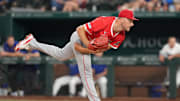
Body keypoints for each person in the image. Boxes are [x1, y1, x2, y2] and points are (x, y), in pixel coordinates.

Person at [15, 9, 138, 101]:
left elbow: (102, 48)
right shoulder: (104, 21)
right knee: (87, 73)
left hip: (86, 44)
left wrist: (87, 49)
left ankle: (32, 42)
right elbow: (80, 29)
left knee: (60, 54)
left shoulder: (120, 36)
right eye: (130, 21)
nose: (132, 24)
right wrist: (86, 44)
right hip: (80, 37)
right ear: (121, 19)